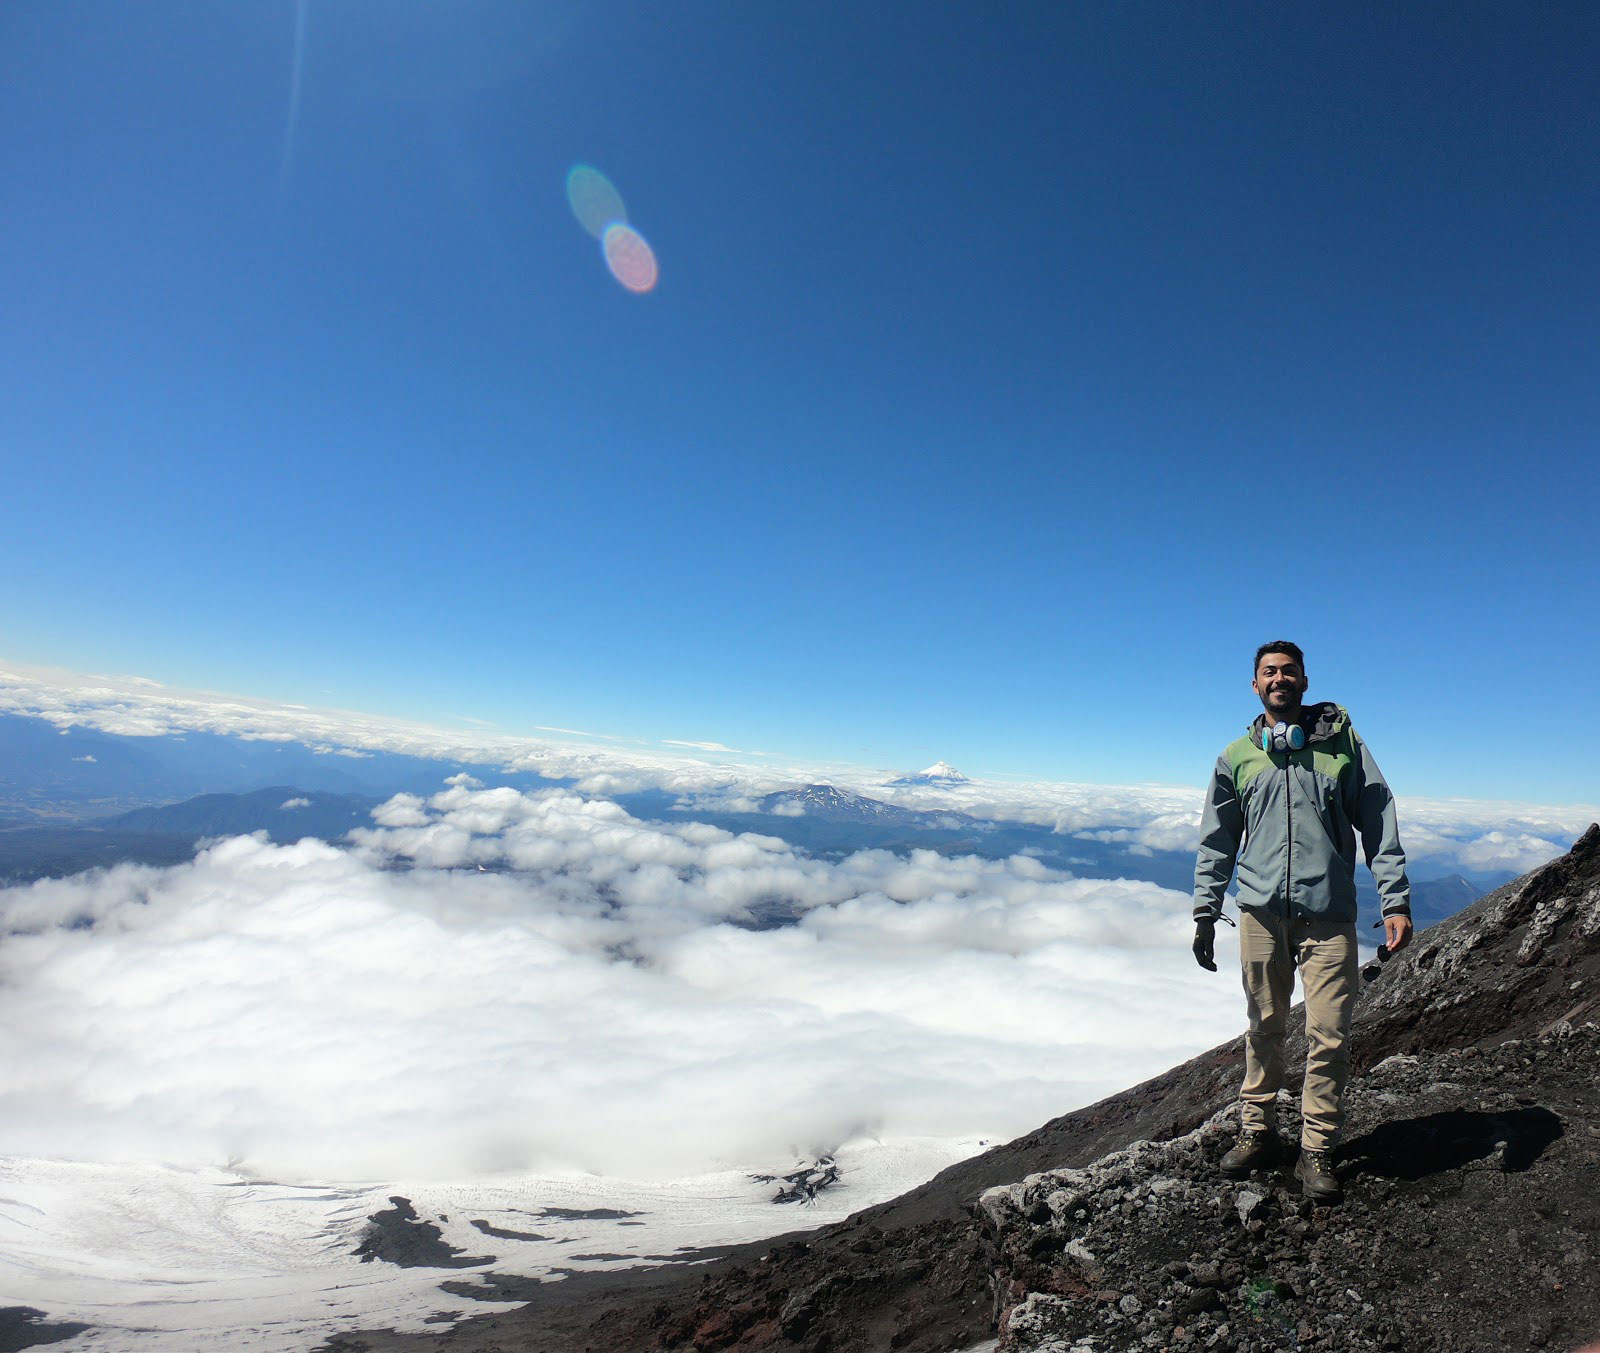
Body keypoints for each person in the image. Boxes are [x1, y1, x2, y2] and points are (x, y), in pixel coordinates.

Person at [1191, 641, 1413, 1203]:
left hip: (1328, 916)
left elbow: (1378, 823)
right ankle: (1257, 1131)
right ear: (1255, 685)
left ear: (1305, 682)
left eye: (1289, 672)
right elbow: (1217, 841)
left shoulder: (1344, 747)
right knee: (1263, 1026)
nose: (1279, 679)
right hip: (1259, 913)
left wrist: (1396, 900)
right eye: (1269, 672)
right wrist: (1204, 909)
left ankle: (1317, 1147)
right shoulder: (1237, 756)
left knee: (1329, 1034)